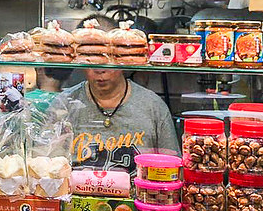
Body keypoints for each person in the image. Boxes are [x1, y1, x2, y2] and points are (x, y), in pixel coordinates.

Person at [44, 66, 179, 173]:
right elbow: (45, 168)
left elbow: (174, 168)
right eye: (92, 61)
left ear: (122, 61)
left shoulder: (153, 106)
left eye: (108, 60)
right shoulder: (64, 105)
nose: (100, 70)